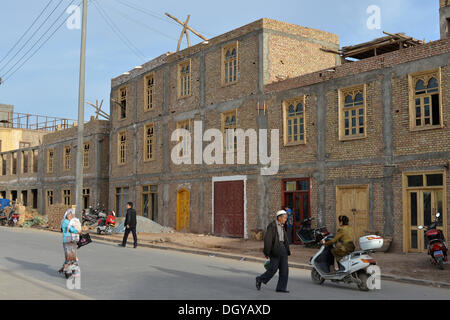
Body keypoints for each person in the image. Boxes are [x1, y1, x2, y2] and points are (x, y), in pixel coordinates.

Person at [255, 210, 291, 293]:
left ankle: (281, 288)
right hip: (275, 250)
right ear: (279, 218)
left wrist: (287, 249)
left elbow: (284, 239)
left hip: (283, 249)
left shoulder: (282, 226)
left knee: (284, 270)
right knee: (273, 269)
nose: (286, 219)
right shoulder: (272, 226)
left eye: (286, 218)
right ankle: (260, 279)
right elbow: (268, 240)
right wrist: (266, 252)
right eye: (284, 218)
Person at [58, 209, 80, 274]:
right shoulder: (65, 221)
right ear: (67, 215)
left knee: (70, 256)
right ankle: (70, 270)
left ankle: (65, 268)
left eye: (73, 215)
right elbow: (71, 229)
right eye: (70, 215)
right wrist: (77, 231)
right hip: (67, 240)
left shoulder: (69, 221)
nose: (72, 216)